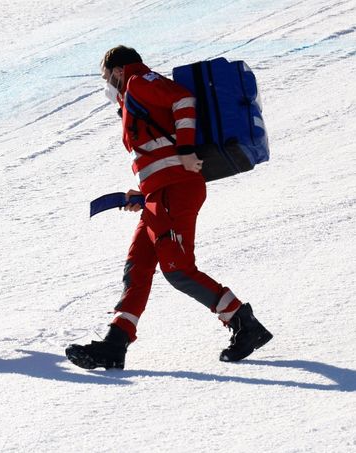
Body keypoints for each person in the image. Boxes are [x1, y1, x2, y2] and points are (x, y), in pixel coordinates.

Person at [65, 46, 272, 369]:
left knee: (177, 269)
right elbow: (155, 149)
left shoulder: (138, 82)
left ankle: (244, 324)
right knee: (137, 267)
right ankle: (114, 345)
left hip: (175, 190)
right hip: (158, 193)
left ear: (118, 70)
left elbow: (183, 100)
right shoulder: (133, 94)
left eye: (106, 77)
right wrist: (143, 192)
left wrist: (187, 149)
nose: (106, 85)